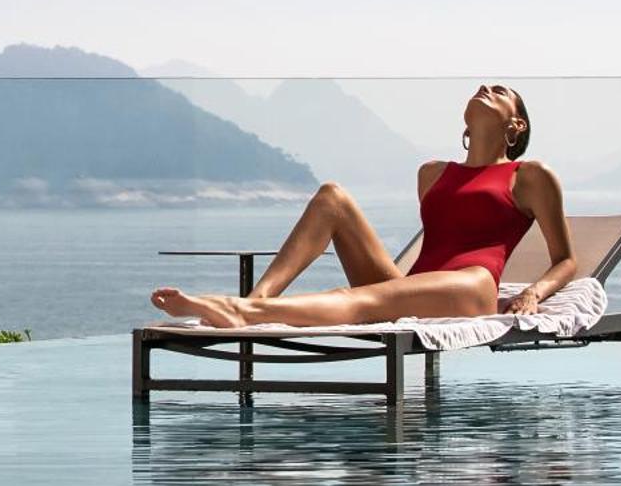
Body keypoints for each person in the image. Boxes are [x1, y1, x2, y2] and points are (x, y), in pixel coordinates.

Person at [150, 84, 575, 329]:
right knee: (331, 197)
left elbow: (566, 261)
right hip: (415, 284)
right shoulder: (432, 173)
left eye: (498, 92)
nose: (484, 88)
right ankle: (255, 302)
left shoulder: (531, 176)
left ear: (515, 126)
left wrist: (533, 292)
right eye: (482, 87)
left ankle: (243, 313)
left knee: (355, 299)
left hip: (471, 286)